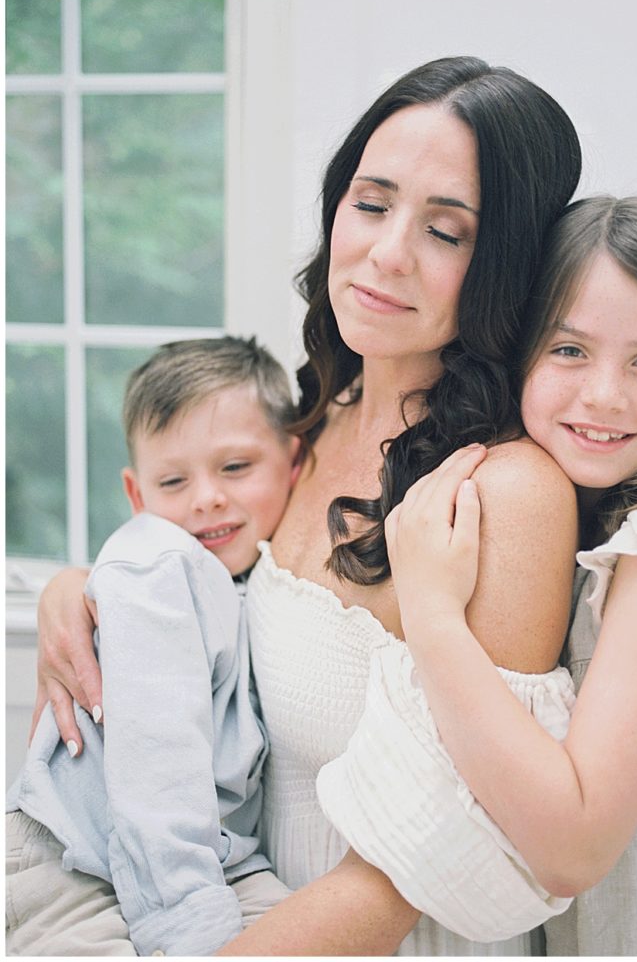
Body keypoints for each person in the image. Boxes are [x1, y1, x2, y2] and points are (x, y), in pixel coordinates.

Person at [30, 56, 585, 955]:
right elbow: (204, 606)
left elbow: (416, 861)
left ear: (505, 266)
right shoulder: (303, 426)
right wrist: (81, 591)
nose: (385, 251)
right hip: (237, 910)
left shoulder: (505, 491)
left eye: (446, 232)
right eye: (370, 205)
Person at [380, 196, 637, 956]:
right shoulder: (554, 515)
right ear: (519, 353)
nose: (603, 395)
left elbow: (575, 847)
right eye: (568, 350)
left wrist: (431, 616)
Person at [7, 336, 299, 955]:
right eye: (173, 480)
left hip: (208, 860)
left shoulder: (255, 580)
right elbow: (155, 768)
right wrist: (196, 935)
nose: (206, 497)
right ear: (138, 496)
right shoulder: (159, 565)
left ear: (294, 461)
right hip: (77, 864)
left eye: (235, 468)